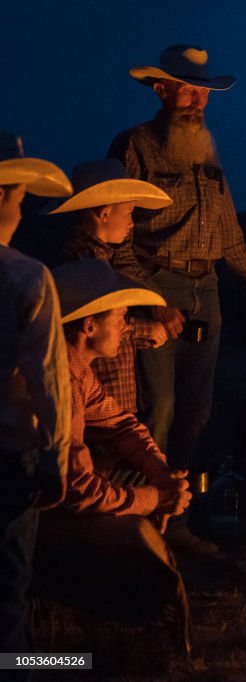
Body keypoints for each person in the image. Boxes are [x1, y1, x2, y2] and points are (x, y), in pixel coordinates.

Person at [108, 44, 246, 471]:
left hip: (207, 290)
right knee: (158, 407)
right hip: (159, 283)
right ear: (161, 90)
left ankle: (179, 512)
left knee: (197, 410)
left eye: (205, 92)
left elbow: (231, 237)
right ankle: (145, 512)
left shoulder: (208, 155)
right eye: (189, 91)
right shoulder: (135, 146)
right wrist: (153, 302)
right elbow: (117, 239)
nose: (200, 101)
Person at [37, 258, 192, 654]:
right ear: (89, 326)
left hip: (52, 505)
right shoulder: (60, 385)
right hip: (34, 519)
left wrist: (161, 476)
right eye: (121, 316)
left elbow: (123, 425)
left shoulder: (79, 370)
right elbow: (74, 491)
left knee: (138, 494)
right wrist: (156, 498)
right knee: (138, 547)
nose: (127, 326)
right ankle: (61, 658)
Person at [0, 132, 71, 665]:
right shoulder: (26, 276)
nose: (21, 211)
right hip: (10, 454)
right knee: (7, 590)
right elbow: (48, 375)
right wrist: (57, 454)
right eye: (20, 198)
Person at [48, 159, 173, 414]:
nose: (131, 223)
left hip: (109, 394)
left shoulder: (99, 257)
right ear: (105, 213)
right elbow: (90, 324)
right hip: (100, 395)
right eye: (128, 212)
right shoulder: (83, 261)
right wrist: (146, 329)